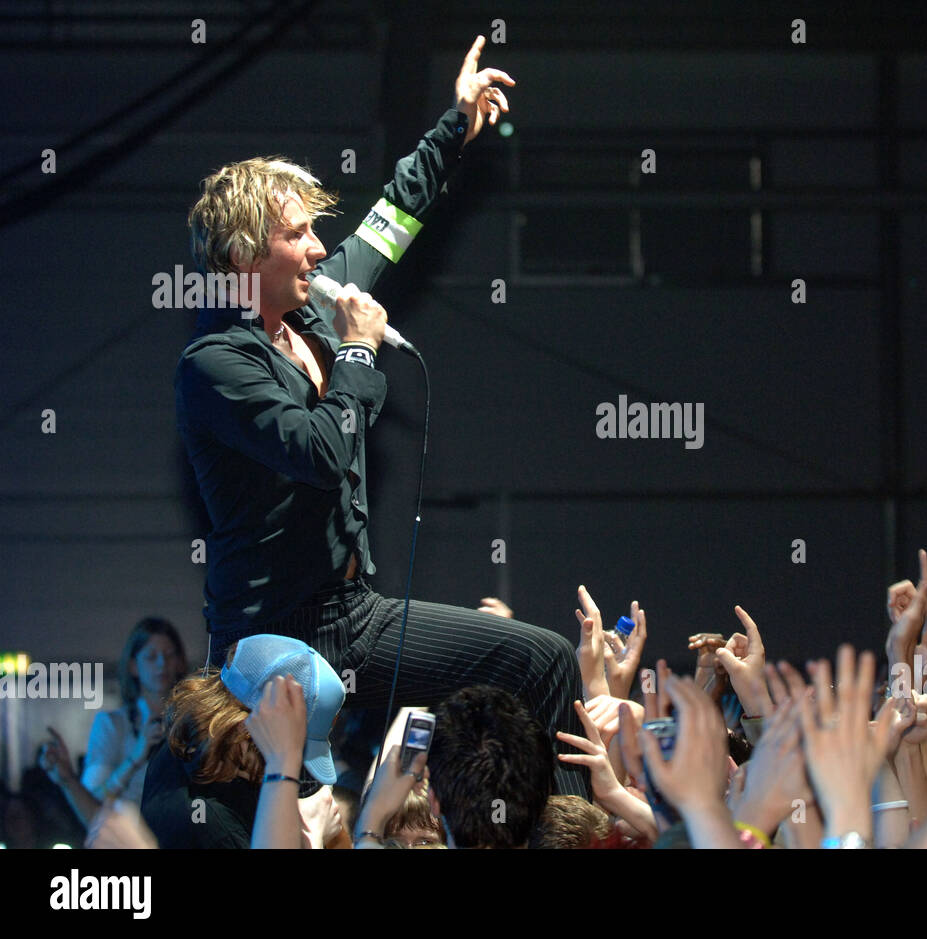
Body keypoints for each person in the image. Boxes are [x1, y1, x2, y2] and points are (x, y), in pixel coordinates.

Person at [173, 36, 587, 797]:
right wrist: (360, 355)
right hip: (273, 639)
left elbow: (392, 219)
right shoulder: (214, 366)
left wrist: (456, 126)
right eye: (294, 234)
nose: (317, 248)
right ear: (241, 258)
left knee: (545, 658)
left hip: (352, 612)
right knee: (240, 817)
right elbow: (320, 449)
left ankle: (579, 835)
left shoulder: (317, 309)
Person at [140, 634, 345, 849]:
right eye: (295, 748)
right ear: (249, 730)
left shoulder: (179, 747)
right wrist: (314, 836)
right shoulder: (219, 831)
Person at [39, 616, 188, 826]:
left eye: (169, 655)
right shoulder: (112, 724)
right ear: (133, 666)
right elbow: (92, 803)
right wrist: (136, 757)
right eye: (151, 656)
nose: (162, 664)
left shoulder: (192, 721)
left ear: (180, 662)